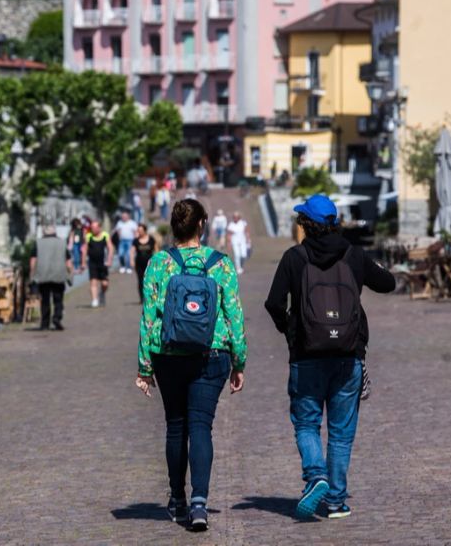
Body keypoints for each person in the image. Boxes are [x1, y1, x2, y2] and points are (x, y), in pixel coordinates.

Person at [264, 194, 395, 520]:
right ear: (335, 223)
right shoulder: (354, 255)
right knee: (341, 432)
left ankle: (315, 474)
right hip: (348, 354)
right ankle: (336, 501)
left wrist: (290, 332)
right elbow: (388, 283)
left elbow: (274, 303)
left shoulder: (294, 257)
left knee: (307, 423)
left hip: (306, 354)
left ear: (305, 224)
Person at [136, 199, 247, 531]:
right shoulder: (221, 264)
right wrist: (239, 360)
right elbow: (234, 314)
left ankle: (177, 500)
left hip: (167, 353)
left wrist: (144, 368)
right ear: (202, 225)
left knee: (175, 425)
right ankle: (200, 502)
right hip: (211, 354)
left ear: (174, 226)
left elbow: (148, 317)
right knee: (201, 426)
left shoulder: (158, 264)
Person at [30, 225, 73, 331]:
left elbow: (33, 260)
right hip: (59, 273)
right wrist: (70, 273)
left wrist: (32, 274)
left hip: (42, 274)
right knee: (58, 298)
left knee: (45, 300)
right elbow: (68, 261)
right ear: (55, 232)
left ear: (44, 232)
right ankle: (57, 317)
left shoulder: (38, 243)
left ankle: (45, 323)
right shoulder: (62, 242)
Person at [81, 221, 113, 308]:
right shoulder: (88, 236)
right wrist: (83, 263)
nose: (93, 229)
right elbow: (84, 250)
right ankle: (94, 300)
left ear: (99, 228)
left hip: (103, 262)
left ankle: (102, 293)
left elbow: (110, 248)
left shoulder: (105, 235)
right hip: (92, 262)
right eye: (92, 228)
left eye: (95, 227)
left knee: (105, 284)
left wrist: (109, 260)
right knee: (93, 282)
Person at [130, 223, 157, 303]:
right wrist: (131, 260)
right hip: (139, 264)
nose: (139, 232)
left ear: (145, 231)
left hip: (150, 264)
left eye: (141, 230)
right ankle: (142, 299)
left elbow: (156, 250)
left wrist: (157, 261)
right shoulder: (135, 241)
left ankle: (150, 297)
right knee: (140, 280)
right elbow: (132, 251)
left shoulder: (151, 239)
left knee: (150, 280)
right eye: (138, 231)